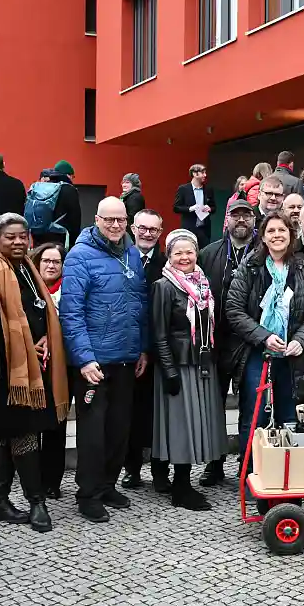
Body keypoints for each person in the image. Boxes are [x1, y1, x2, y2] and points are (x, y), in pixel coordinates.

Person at [60, 197, 149, 522]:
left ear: (128, 222)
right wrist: (83, 358)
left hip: (125, 358)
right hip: (93, 363)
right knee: (93, 432)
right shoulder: (80, 256)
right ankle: (88, 493)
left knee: (118, 429)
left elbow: (140, 304)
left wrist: (143, 348)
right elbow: (71, 313)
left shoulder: (131, 253)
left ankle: (108, 484)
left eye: (120, 220)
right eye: (109, 219)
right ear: (96, 219)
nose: (115, 225)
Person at [0, 214, 69, 533]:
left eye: (22, 236)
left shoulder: (28, 269)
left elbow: (40, 310)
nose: (18, 242)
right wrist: (20, 348)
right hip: (11, 372)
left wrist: (46, 335)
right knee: (24, 432)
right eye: (10, 237)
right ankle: (37, 502)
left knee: (12, 435)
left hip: (38, 368)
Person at [227, 211, 304, 474]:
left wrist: (301, 340)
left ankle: (286, 472)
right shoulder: (250, 266)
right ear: (263, 237)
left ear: (291, 235)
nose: (277, 235)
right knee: (254, 416)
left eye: (282, 230)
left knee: (289, 415)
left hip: (293, 356)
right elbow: (234, 309)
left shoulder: (303, 268)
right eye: (271, 231)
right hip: (258, 352)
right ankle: (251, 471)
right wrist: (264, 336)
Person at [152, 230, 229, 510]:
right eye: (178, 253)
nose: (184, 257)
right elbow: (159, 333)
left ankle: (185, 482)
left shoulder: (203, 284)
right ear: (170, 256)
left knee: (197, 422)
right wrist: (168, 369)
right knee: (181, 425)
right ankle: (180, 487)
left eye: (189, 252)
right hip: (178, 364)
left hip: (201, 361)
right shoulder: (164, 286)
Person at [197, 199, 257, 486]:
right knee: (214, 406)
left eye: (246, 215)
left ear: (254, 220)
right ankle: (214, 463)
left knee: (250, 406)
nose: (241, 220)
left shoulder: (264, 252)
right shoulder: (209, 254)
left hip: (251, 343)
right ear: (227, 220)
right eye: (236, 215)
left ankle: (248, 465)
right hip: (217, 342)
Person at [122, 210, 169, 491]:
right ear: (133, 229)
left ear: (160, 232)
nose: (148, 233)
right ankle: (132, 469)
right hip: (130, 349)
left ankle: (160, 472)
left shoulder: (167, 264)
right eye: (143, 228)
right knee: (132, 415)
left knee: (158, 415)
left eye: (154, 229)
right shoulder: (121, 260)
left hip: (160, 350)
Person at [29, 242, 69, 498]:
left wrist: (54, 338)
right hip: (33, 364)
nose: (51, 265)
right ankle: (32, 480)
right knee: (32, 426)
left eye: (56, 262)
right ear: (37, 262)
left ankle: (52, 482)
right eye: (46, 261)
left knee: (56, 426)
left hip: (60, 366)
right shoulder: (28, 290)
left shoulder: (69, 290)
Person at [25, 167, 82, 249]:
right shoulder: (69, 189)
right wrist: (73, 243)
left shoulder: (37, 188)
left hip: (38, 235)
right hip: (60, 237)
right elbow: (75, 219)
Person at [173, 164, 216, 248]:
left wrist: (210, 208)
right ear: (194, 174)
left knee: (204, 253)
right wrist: (190, 208)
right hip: (189, 228)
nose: (205, 175)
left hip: (204, 229)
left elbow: (214, 207)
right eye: (202, 173)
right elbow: (176, 208)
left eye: (205, 172)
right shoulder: (183, 189)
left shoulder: (208, 189)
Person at [120, 173, 146, 240]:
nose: (124, 185)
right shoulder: (127, 196)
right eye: (123, 182)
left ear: (134, 184)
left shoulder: (135, 197)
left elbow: (132, 217)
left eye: (127, 182)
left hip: (130, 234)